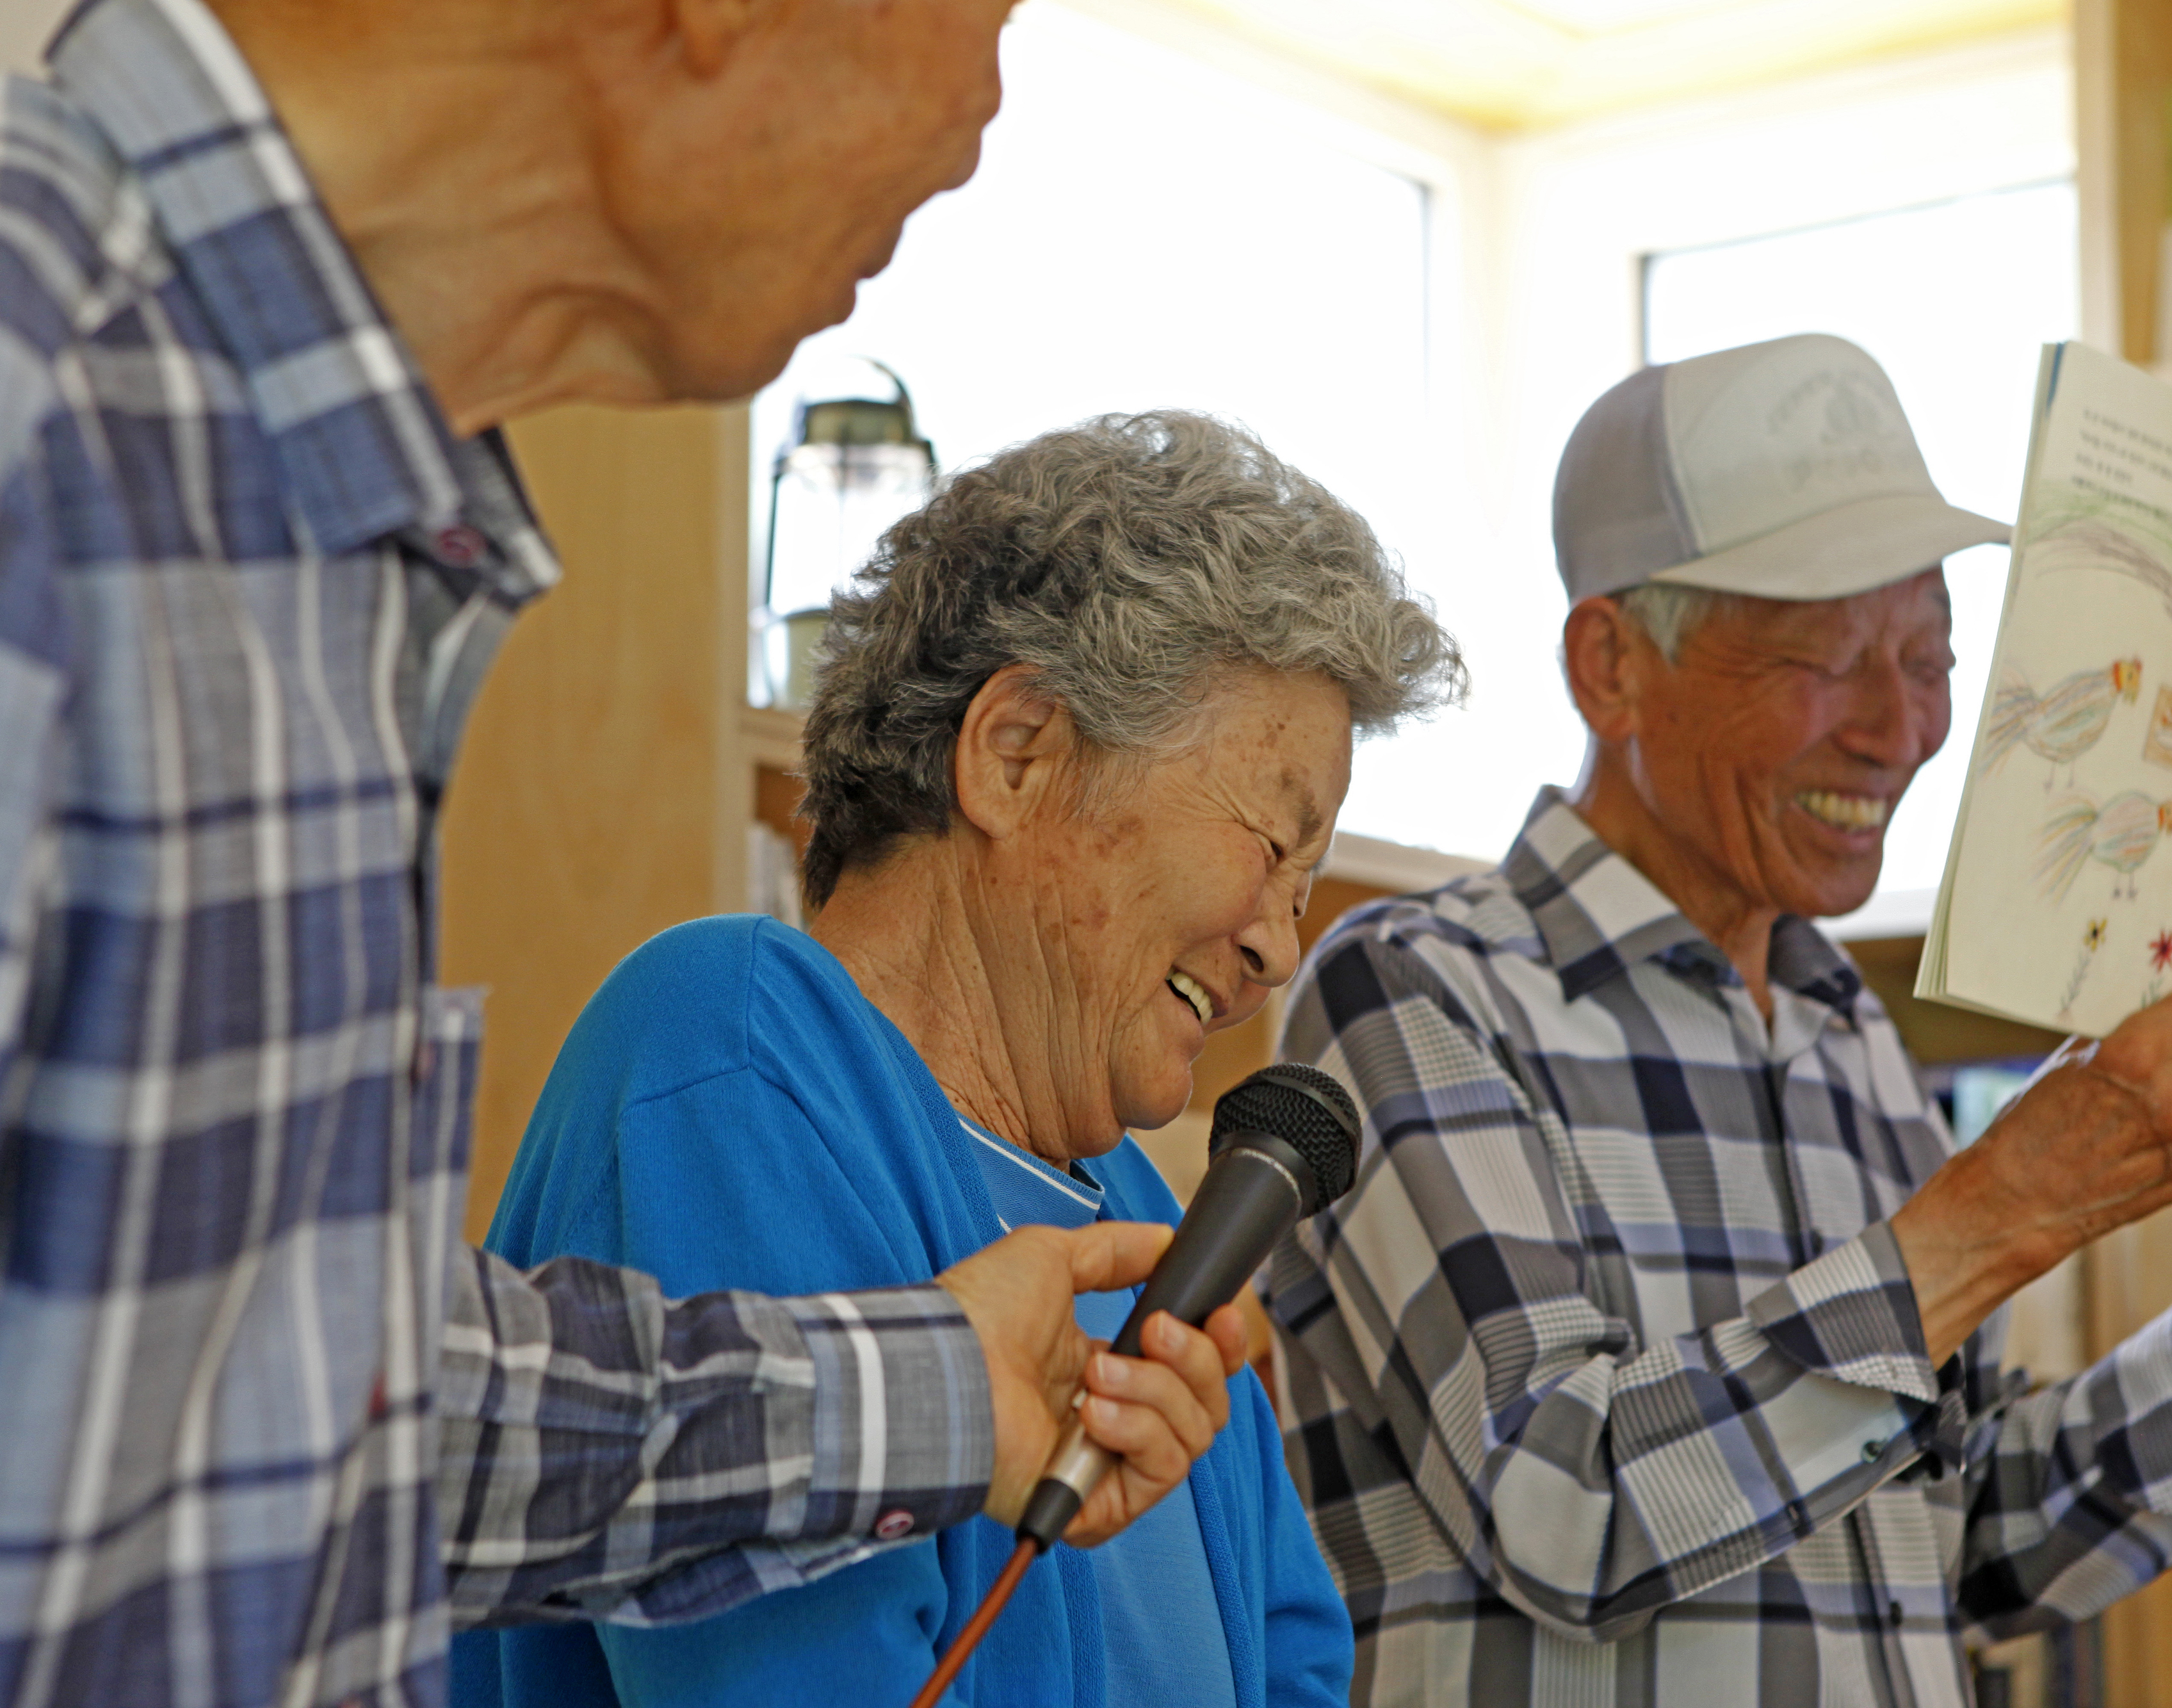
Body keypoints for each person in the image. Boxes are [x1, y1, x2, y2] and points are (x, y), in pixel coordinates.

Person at [0, 2, 1249, 1704]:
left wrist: (945, 1389)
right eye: (989, 13)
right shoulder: (35, 384)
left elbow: (295, 1397)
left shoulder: (295, 511)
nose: (981, 118)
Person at [1260, 334, 2172, 1705]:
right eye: (1823, 661)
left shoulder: (1847, 1041)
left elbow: (1955, 1556)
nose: (1899, 728)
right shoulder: (1415, 994)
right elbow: (1560, 1504)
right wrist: (1992, 1214)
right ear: (1609, 667)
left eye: (1929, 656)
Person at [453, 410, 1459, 1707]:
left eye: (1312, 883)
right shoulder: (733, 1044)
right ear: (1016, 753)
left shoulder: (1152, 1223)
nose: (1277, 945)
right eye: (1272, 846)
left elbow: (1296, 1662)